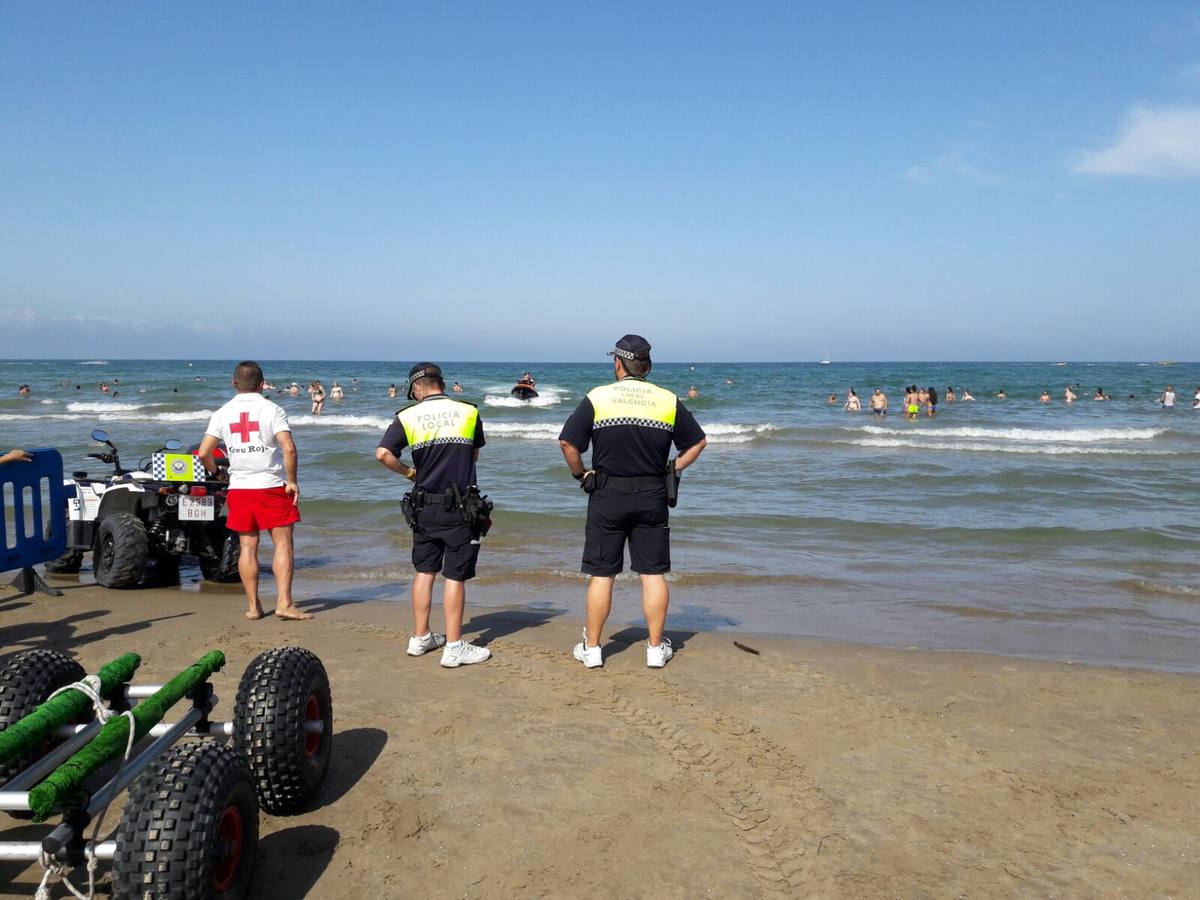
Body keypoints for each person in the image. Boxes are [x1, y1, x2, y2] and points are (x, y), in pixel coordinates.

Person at [559, 335, 706, 670]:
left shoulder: (599, 397)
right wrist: (674, 467)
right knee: (652, 574)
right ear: (648, 366)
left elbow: (568, 442)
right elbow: (698, 442)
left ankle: (593, 649)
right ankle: (655, 650)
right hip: (652, 494)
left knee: (602, 574)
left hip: (607, 494)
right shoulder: (667, 400)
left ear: (618, 363)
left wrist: (580, 474)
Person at [376, 363, 491, 668]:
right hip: (460, 506)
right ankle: (454, 646)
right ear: (440, 384)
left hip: (423, 505)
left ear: (416, 389)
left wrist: (409, 472)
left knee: (425, 571)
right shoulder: (469, 411)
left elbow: (383, 454)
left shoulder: (407, 416)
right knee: (455, 575)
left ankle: (420, 636)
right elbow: (474, 453)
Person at [198, 361, 310, 621]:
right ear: (262, 383)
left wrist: (217, 473)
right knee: (283, 544)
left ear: (234, 383)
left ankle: (253, 607)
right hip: (270, 486)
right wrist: (291, 480)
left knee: (248, 548)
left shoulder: (222, 413)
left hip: (239, 488)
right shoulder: (273, 409)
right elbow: (289, 448)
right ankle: (284, 603)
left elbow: (204, 452)